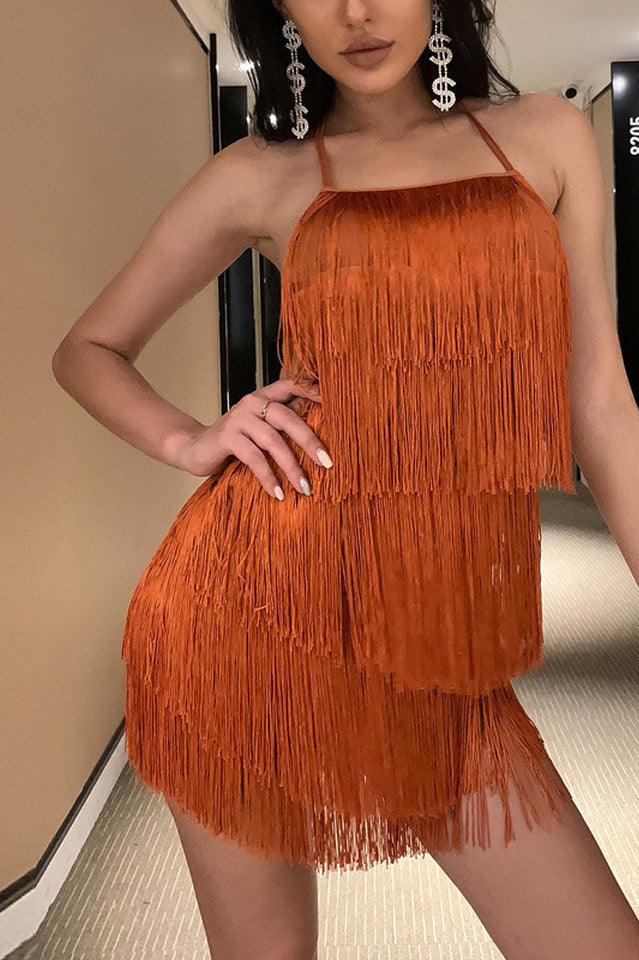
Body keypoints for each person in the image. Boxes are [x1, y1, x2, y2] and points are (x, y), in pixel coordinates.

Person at [51, 1, 639, 958]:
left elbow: (602, 406)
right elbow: (89, 349)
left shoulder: (546, 135)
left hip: (442, 643)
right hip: (246, 625)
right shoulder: (259, 174)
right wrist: (192, 440)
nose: (356, 11)